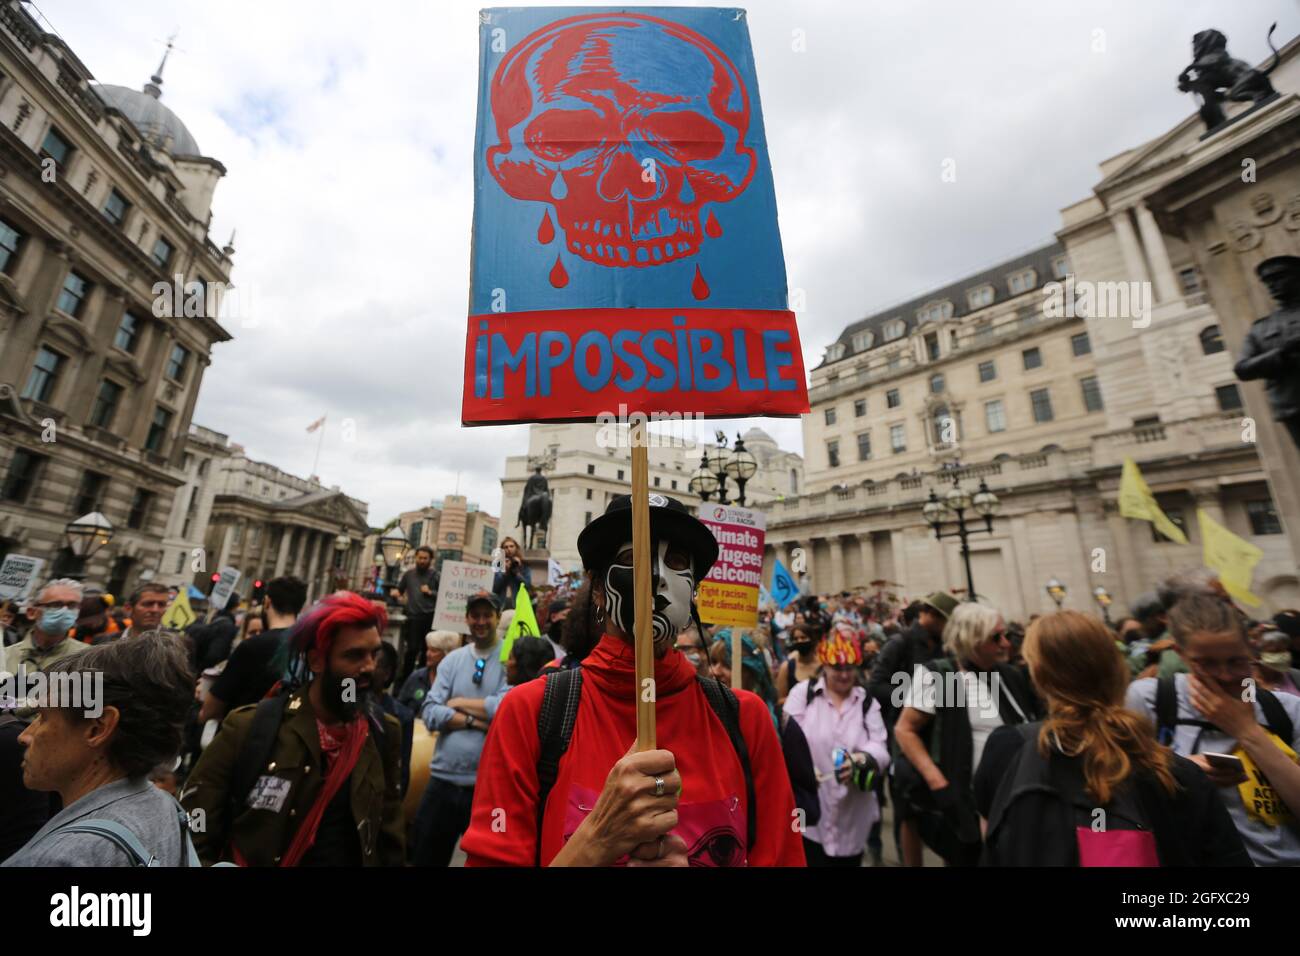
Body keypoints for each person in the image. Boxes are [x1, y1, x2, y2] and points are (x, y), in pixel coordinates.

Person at [458, 493, 805, 867]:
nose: (655, 574)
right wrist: (593, 842)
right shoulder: (528, 713)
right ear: (597, 589)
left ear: (693, 593)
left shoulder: (746, 719)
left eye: (675, 562)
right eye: (631, 558)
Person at [976, 611, 1251, 866]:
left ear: (1038, 676)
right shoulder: (1180, 774)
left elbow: (996, 841)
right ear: (1118, 669)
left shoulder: (1011, 748)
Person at [180, 592, 404, 866]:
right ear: (317, 661)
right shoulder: (251, 727)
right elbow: (195, 824)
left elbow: (388, 836)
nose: (369, 667)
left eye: (374, 654)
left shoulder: (383, 733)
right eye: (354, 655)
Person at [1126, 594, 1300, 866]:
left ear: (1251, 649)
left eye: (1235, 661)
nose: (1224, 675)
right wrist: (1179, 770)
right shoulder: (1151, 700)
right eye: (1205, 663)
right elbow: (1120, 790)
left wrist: (1248, 732)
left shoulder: (1286, 710)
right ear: (1181, 654)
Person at [3, 632, 200, 866]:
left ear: (98, 728)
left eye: (43, 717)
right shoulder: (163, 806)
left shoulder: (61, 858)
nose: (25, 735)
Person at [893, 602, 1038, 866]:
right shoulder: (944, 676)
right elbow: (905, 729)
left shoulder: (1009, 676)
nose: (1006, 643)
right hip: (968, 808)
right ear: (971, 640)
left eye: (1007, 635)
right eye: (996, 637)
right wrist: (939, 785)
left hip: (1017, 806)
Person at [411, 591, 509, 866]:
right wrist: (475, 720)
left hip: (485, 788)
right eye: (474, 615)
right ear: (466, 618)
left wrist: (459, 703)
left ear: (497, 618)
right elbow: (430, 711)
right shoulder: (452, 661)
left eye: (487, 615)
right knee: (425, 856)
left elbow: (505, 709)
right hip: (441, 782)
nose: (480, 621)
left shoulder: (508, 660)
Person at [783, 632, 889, 867]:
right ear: (825, 666)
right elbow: (789, 740)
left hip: (853, 816)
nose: (844, 674)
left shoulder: (866, 702)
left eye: (849, 668)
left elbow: (881, 747)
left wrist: (863, 758)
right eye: (837, 668)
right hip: (810, 814)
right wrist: (805, 768)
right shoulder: (804, 694)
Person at [200, 576, 307, 724]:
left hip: (245, 736)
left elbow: (211, 709)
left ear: (267, 602)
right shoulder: (310, 645)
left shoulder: (252, 646)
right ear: (300, 606)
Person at [868, 591, 955, 733]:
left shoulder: (945, 648)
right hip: (903, 729)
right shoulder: (900, 643)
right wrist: (915, 697)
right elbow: (875, 686)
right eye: (947, 622)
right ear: (931, 615)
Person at [3, 579, 90, 679]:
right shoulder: (5, 656)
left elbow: (96, 694)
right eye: (56, 605)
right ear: (32, 612)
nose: (64, 611)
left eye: (72, 605)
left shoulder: (89, 658)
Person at [393, 546, 439, 684]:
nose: (422, 561)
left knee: (428, 651)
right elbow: (399, 591)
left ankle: (422, 680)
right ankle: (405, 680)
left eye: (425, 558)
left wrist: (430, 592)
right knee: (411, 650)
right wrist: (395, 594)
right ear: (416, 558)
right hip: (413, 618)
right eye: (420, 558)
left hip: (430, 618)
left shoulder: (436, 575)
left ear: (431, 560)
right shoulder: (408, 575)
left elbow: (444, 596)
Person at [374, 642, 414, 796]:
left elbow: (400, 773)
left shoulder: (401, 717)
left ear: (387, 673)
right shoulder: (349, 703)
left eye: (373, 662)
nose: (365, 668)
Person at [398, 630, 460, 711]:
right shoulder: (417, 677)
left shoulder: (456, 680)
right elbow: (399, 706)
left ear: (446, 655)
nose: (428, 654)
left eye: (433, 651)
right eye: (428, 649)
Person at [187, 593, 239, 672]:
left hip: (189, 667)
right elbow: (214, 656)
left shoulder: (203, 619)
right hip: (202, 674)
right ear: (236, 606)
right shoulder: (227, 627)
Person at [775, 622, 822, 707]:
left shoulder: (823, 666)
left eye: (803, 637)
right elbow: (780, 700)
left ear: (812, 639)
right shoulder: (787, 667)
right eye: (796, 639)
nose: (799, 641)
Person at [1253, 630, 1300, 696]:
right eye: (1275, 651)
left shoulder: (1296, 675)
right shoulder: (1245, 682)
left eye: (1284, 650)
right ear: (1257, 656)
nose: (1283, 655)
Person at [493, 537, 532, 606]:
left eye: (511, 546)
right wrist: (504, 572)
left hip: (519, 605)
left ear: (516, 548)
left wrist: (517, 572)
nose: (509, 549)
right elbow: (495, 588)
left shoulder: (524, 565)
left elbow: (527, 586)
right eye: (506, 547)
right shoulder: (498, 565)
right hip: (501, 603)